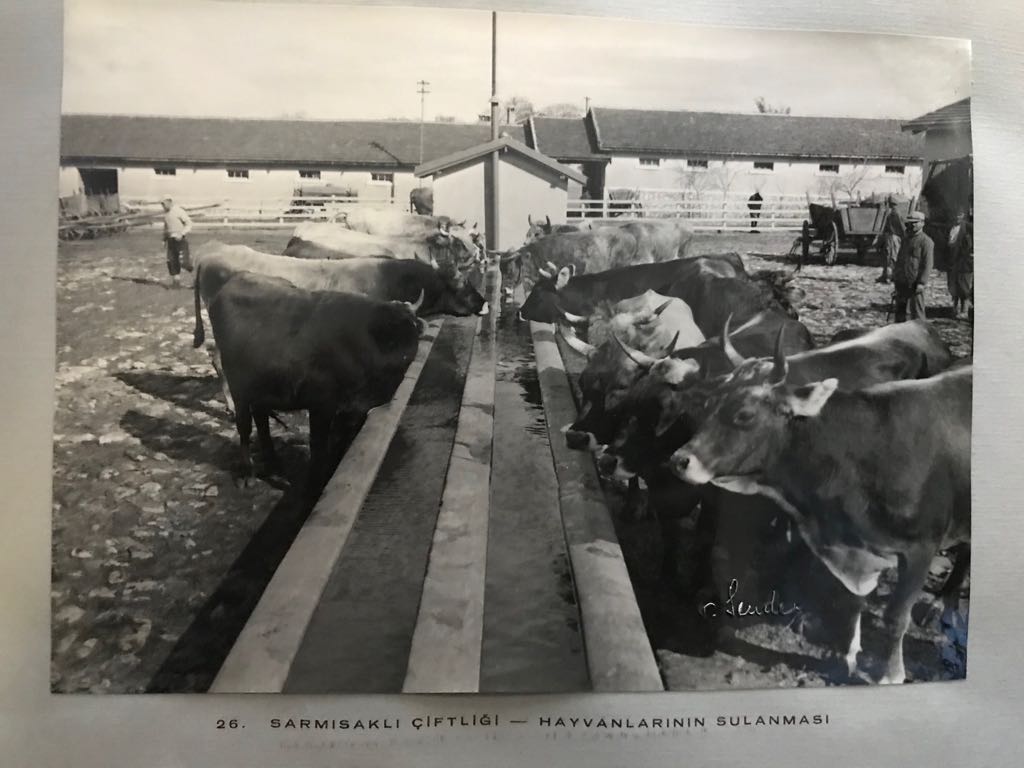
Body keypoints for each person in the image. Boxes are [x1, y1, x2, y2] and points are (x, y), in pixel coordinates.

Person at [892, 211, 934, 322]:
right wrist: (896, 276)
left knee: (917, 312)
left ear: (922, 223)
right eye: (910, 223)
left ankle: (920, 332)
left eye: (916, 222)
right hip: (902, 281)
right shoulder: (906, 239)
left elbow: (928, 264)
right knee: (900, 312)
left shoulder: (926, 241)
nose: (913, 225)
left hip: (915, 283)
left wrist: (922, 282)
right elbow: (900, 259)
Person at [947, 209, 974, 319]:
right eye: (955, 215)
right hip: (953, 261)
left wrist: (972, 254)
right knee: (953, 285)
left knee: (964, 286)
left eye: (959, 215)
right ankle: (955, 309)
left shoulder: (968, 227)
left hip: (964, 262)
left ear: (963, 215)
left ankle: (964, 311)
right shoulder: (950, 227)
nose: (957, 217)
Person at [161, 197, 193, 288]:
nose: (163, 206)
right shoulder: (166, 214)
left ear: (169, 202)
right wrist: (164, 239)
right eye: (162, 204)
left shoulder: (178, 211)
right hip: (170, 240)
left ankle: (198, 277)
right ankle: (176, 283)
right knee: (172, 261)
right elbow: (166, 228)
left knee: (184, 262)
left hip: (180, 240)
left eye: (164, 204)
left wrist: (182, 233)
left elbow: (189, 223)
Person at [876, 196, 904, 283]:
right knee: (891, 257)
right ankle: (888, 276)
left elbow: (898, 227)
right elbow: (902, 228)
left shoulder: (893, 214)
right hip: (894, 238)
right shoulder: (896, 214)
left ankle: (888, 276)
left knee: (890, 257)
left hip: (892, 238)